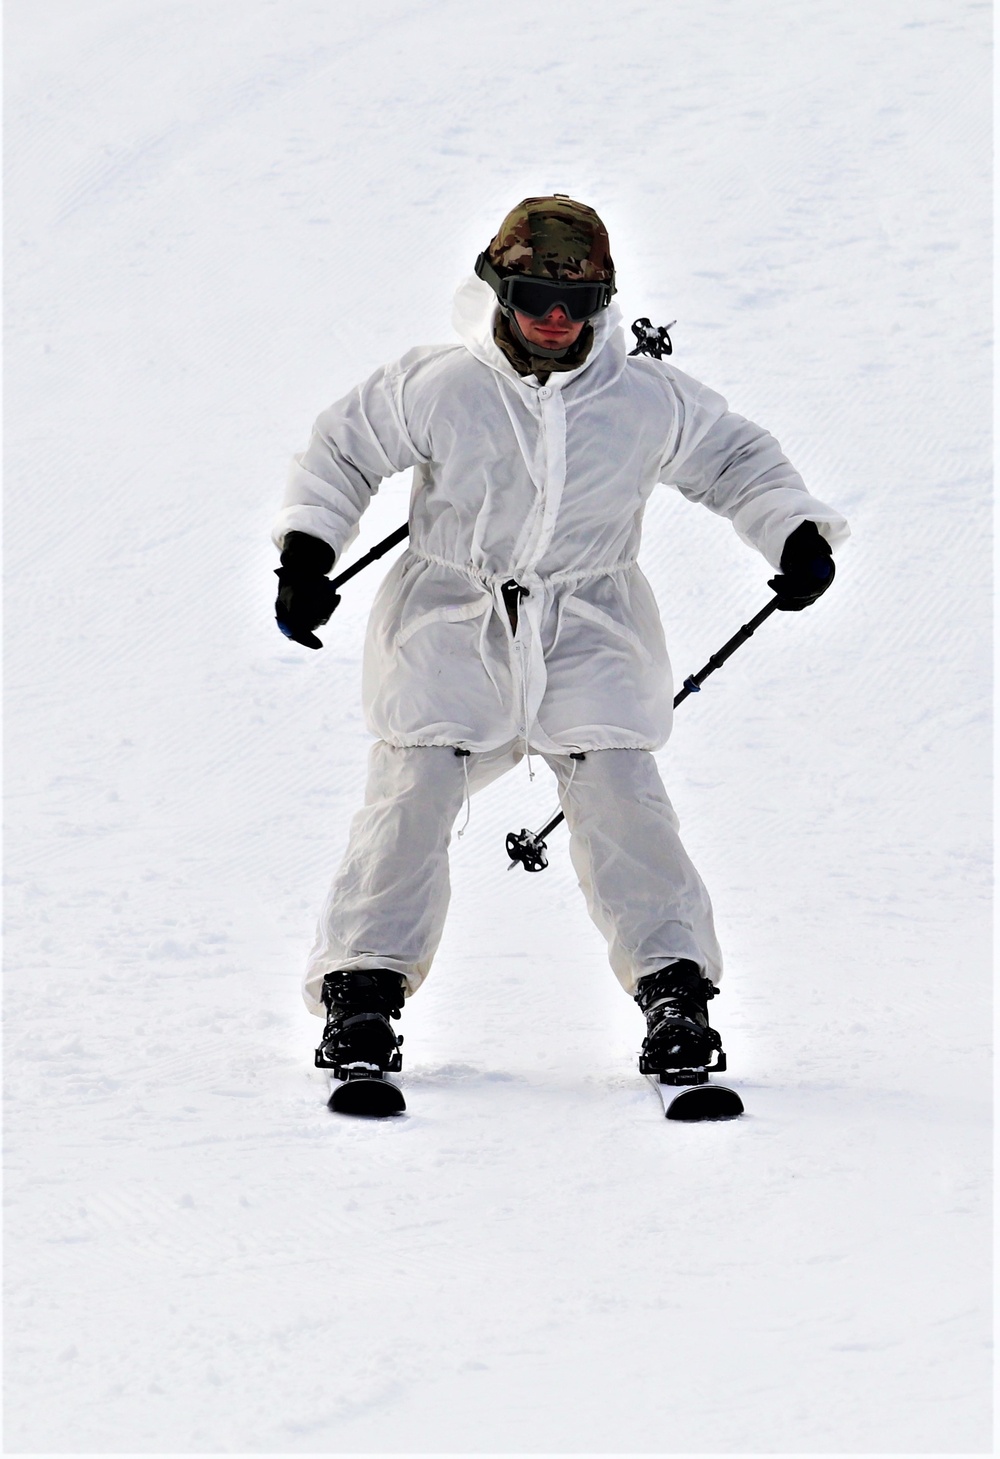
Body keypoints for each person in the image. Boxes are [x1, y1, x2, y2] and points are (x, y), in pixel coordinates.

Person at [272, 194, 849, 1086]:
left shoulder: (641, 398)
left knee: (623, 796)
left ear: (601, 306)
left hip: (591, 626)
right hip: (449, 624)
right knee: (413, 792)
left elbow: (737, 458)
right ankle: (362, 995)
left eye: (575, 304)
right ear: (500, 291)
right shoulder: (441, 384)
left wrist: (793, 532)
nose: (553, 318)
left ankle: (675, 995)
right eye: (536, 295)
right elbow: (344, 450)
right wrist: (308, 553)